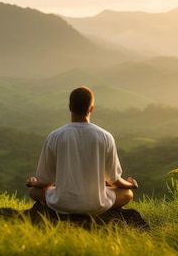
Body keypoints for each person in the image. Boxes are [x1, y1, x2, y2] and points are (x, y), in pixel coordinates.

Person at [26, 86, 138, 215]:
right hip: (96, 204)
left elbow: (47, 180)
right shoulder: (105, 136)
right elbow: (113, 180)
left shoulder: (55, 136)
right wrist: (131, 185)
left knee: (34, 192)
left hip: (63, 204)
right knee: (127, 194)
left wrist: (33, 182)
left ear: (70, 107)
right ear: (91, 108)